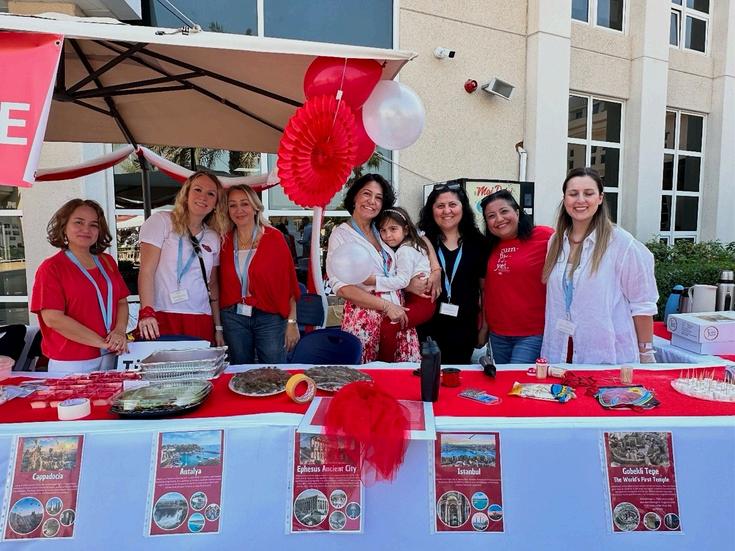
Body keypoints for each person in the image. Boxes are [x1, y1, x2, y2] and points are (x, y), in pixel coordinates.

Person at [541, 167, 658, 364]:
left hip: (606, 354)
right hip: (559, 351)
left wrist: (646, 354)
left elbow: (642, 305)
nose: (580, 200)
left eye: (588, 193)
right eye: (573, 194)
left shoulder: (622, 243)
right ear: (564, 199)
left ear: (600, 198)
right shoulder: (556, 241)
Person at [326, 174, 439, 363]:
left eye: (378, 197)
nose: (372, 201)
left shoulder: (382, 229)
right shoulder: (341, 235)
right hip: (365, 318)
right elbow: (342, 288)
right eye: (366, 194)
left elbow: (420, 237)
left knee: (401, 376)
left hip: (397, 314)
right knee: (368, 375)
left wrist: (436, 271)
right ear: (354, 197)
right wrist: (386, 306)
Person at [31, 199, 130, 372]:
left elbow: (121, 301)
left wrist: (120, 331)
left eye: (93, 225)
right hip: (72, 361)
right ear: (64, 227)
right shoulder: (52, 268)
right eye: (79, 222)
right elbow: (53, 319)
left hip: (111, 354)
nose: (86, 229)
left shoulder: (107, 262)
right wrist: (101, 343)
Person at [137, 170, 228, 345]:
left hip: (200, 317)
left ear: (216, 203)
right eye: (197, 190)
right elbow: (146, 271)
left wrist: (218, 327)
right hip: (162, 313)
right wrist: (146, 312)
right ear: (186, 194)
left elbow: (213, 285)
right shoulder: (161, 221)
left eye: (211, 194)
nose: (203, 197)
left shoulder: (213, 237)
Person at [218, 185, 301, 363]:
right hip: (234, 317)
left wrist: (292, 322)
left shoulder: (274, 238)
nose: (239, 210)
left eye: (244, 203)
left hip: (269, 316)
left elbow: (289, 284)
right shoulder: (224, 241)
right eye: (232, 205)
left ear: (255, 207)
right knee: (240, 369)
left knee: (274, 370)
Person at [418, 183, 489, 364]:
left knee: (457, 377)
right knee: (427, 375)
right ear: (431, 210)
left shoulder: (478, 243)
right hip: (426, 327)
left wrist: (484, 327)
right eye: (440, 206)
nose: (446, 211)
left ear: (463, 208)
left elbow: (485, 290)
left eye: (452, 205)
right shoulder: (422, 243)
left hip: (464, 328)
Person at [480, 190, 553, 364]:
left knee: (516, 378)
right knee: (501, 379)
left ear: (517, 212)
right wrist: (484, 327)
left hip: (532, 333)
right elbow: (486, 290)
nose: (499, 219)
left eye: (504, 211)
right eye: (491, 216)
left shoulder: (544, 236)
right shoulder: (489, 246)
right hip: (498, 334)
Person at [368, 207, 437, 362]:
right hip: (421, 300)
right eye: (383, 230)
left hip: (422, 301)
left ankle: (386, 365)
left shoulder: (405, 251)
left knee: (389, 326)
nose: (388, 235)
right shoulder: (413, 244)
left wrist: (374, 281)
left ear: (405, 230)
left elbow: (402, 281)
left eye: (393, 229)